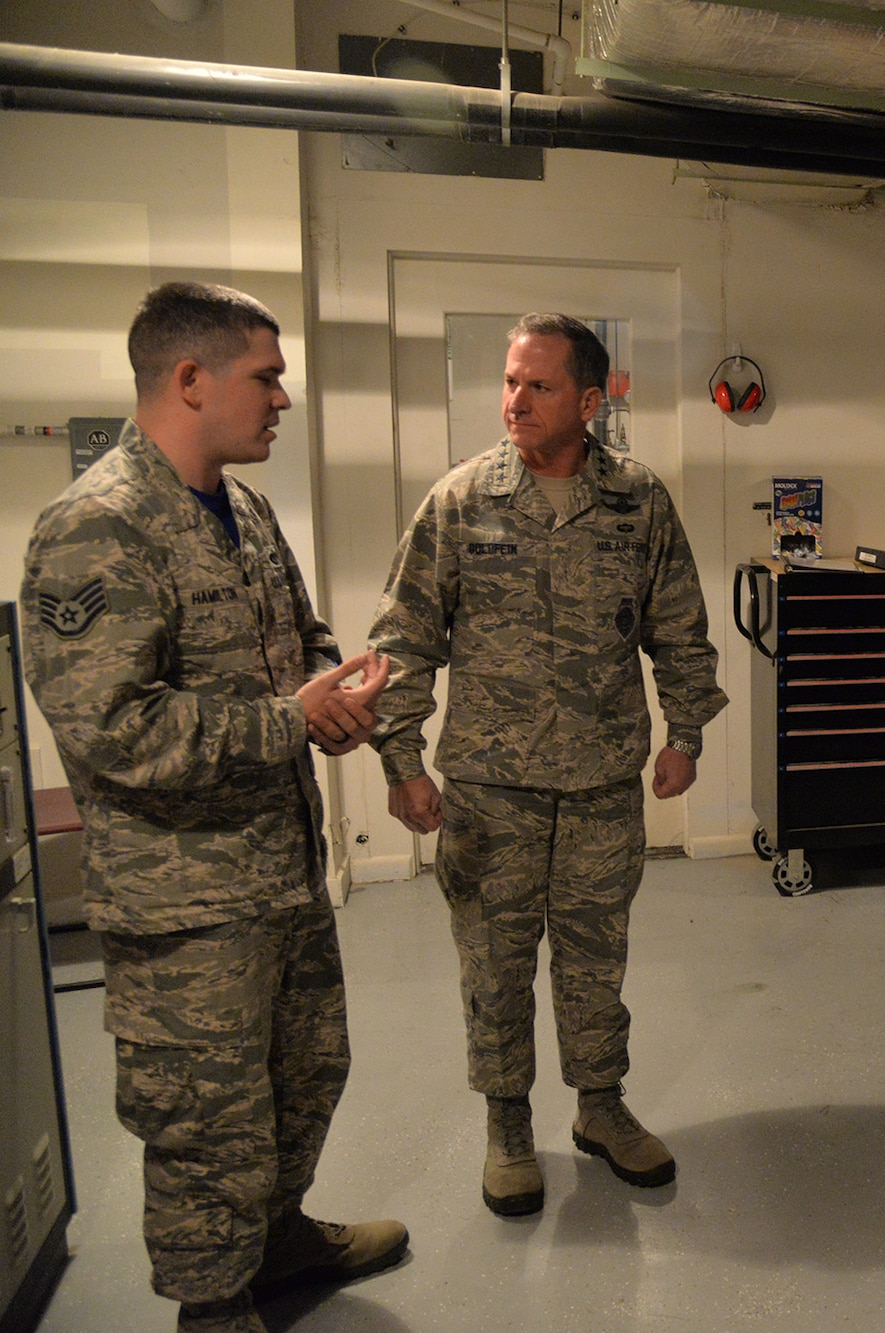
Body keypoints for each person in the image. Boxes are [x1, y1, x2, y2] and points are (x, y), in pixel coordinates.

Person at [19, 282, 409, 1333]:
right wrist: (290, 721)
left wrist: (334, 690)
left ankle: (277, 1241)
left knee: (302, 1069)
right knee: (204, 1118)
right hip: (184, 905)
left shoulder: (242, 510)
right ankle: (210, 1306)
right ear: (189, 379)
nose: (283, 399)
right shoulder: (96, 528)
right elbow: (109, 728)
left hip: (279, 872)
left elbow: (303, 630)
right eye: (266, 377)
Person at [369, 312, 727, 1217]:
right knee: (494, 962)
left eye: (538, 385)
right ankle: (507, 1125)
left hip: (604, 784)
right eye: (509, 380)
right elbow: (404, 638)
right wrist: (401, 759)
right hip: (491, 789)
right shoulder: (460, 502)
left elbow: (679, 626)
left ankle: (600, 1108)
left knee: (595, 958)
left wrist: (685, 733)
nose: (513, 400)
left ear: (592, 401)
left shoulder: (639, 501)